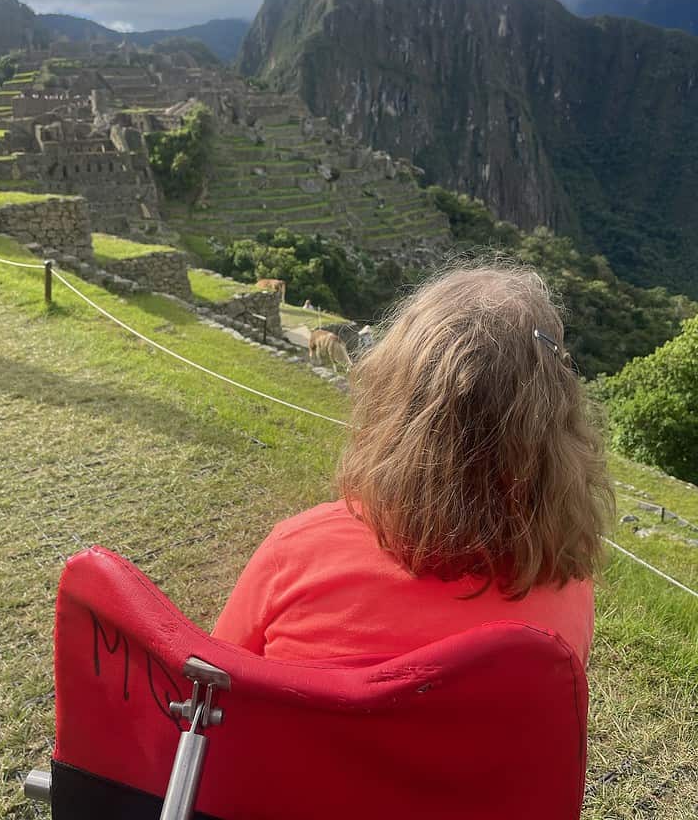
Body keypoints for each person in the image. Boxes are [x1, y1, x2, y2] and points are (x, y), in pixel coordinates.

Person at [213, 267, 613, 668]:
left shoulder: (295, 554)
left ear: (393, 400)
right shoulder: (567, 587)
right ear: (556, 426)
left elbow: (209, 680)